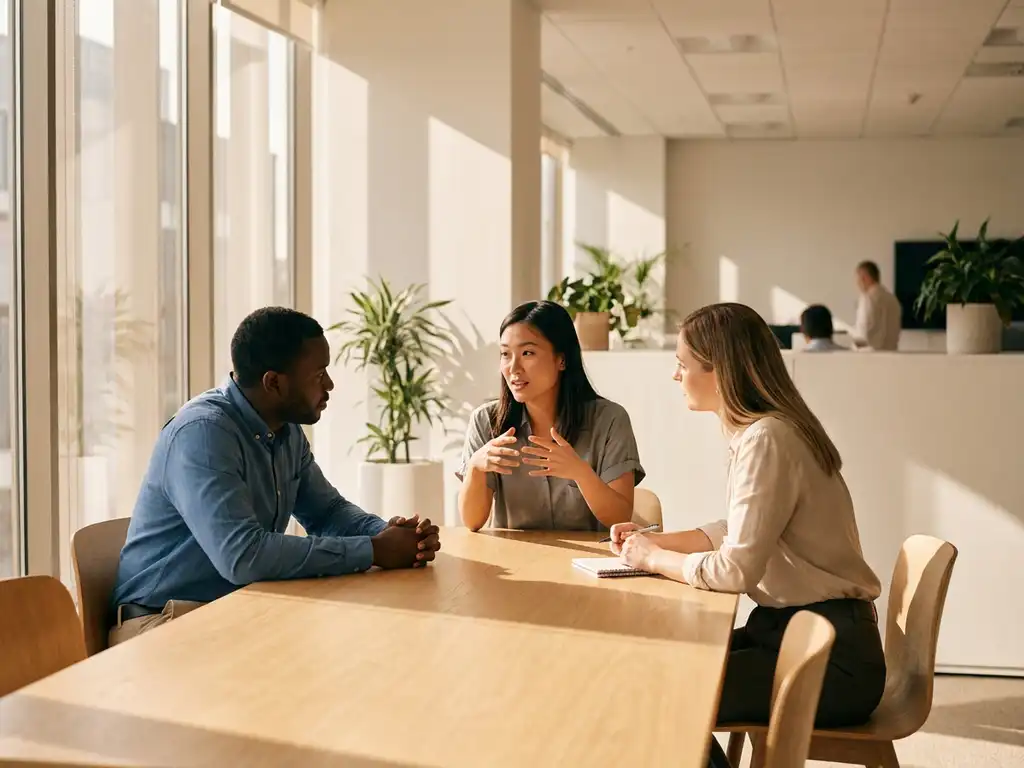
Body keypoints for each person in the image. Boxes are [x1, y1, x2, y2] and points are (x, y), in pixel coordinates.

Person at [610, 302, 885, 768]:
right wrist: (657, 542)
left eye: (683, 364)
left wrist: (654, 560)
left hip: (830, 658)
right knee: (661, 668)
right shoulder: (768, 432)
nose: (676, 376)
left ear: (719, 371)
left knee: (666, 693)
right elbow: (735, 530)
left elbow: (735, 568)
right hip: (806, 634)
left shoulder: (767, 440)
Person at [109, 307, 440, 645]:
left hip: (231, 612)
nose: (329, 384)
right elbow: (243, 556)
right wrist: (373, 550)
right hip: (160, 624)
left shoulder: (285, 432)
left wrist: (390, 534)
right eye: (318, 374)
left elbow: (327, 512)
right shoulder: (204, 434)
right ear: (274, 383)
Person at [457, 300, 645, 531]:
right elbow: (472, 522)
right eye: (506, 354)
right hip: (518, 561)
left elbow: (620, 519)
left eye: (527, 353)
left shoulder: (610, 420)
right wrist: (475, 468)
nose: (513, 368)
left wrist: (580, 473)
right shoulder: (486, 422)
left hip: (588, 562)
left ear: (561, 359)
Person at [853, 260, 902, 350]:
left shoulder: (867, 299)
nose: (858, 283)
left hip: (869, 357)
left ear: (865, 278)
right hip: (892, 355)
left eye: (859, 279)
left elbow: (863, 333)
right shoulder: (893, 300)